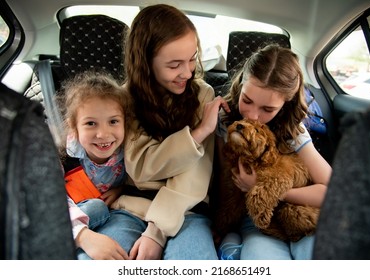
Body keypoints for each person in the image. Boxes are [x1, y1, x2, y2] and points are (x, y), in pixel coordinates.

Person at [110, 3, 229, 260]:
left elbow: (194, 175)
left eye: (192, 59)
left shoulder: (203, 94)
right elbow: (141, 167)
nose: (187, 72)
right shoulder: (124, 98)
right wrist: (196, 134)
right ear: (145, 62)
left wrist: (157, 231)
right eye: (174, 65)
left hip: (188, 210)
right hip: (132, 206)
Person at [215, 44, 332, 260]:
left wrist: (269, 190)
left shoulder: (294, 131)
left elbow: (333, 191)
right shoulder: (225, 122)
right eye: (247, 100)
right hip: (257, 219)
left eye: (268, 109)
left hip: (302, 211)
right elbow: (224, 184)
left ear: (285, 105)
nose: (252, 116)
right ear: (241, 85)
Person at [58, 70, 131, 260]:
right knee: (96, 208)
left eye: (113, 121)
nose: (103, 134)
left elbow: (142, 182)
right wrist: (82, 236)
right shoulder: (63, 155)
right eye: (91, 123)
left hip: (114, 216)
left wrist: (121, 189)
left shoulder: (130, 153)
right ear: (74, 127)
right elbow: (50, 201)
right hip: (70, 220)